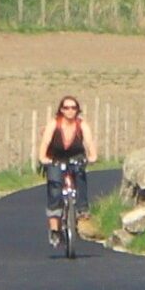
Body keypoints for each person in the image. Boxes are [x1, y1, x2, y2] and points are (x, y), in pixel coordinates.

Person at [37, 95, 98, 247]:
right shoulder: (54, 124)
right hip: (55, 157)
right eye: (66, 108)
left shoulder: (82, 125)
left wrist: (92, 156)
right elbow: (45, 143)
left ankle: (82, 211)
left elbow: (90, 143)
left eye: (73, 108)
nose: (70, 111)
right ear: (61, 110)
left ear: (77, 110)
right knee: (55, 186)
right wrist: (44, 158)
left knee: (80, 174)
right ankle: (54, 229)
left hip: (75, 156)